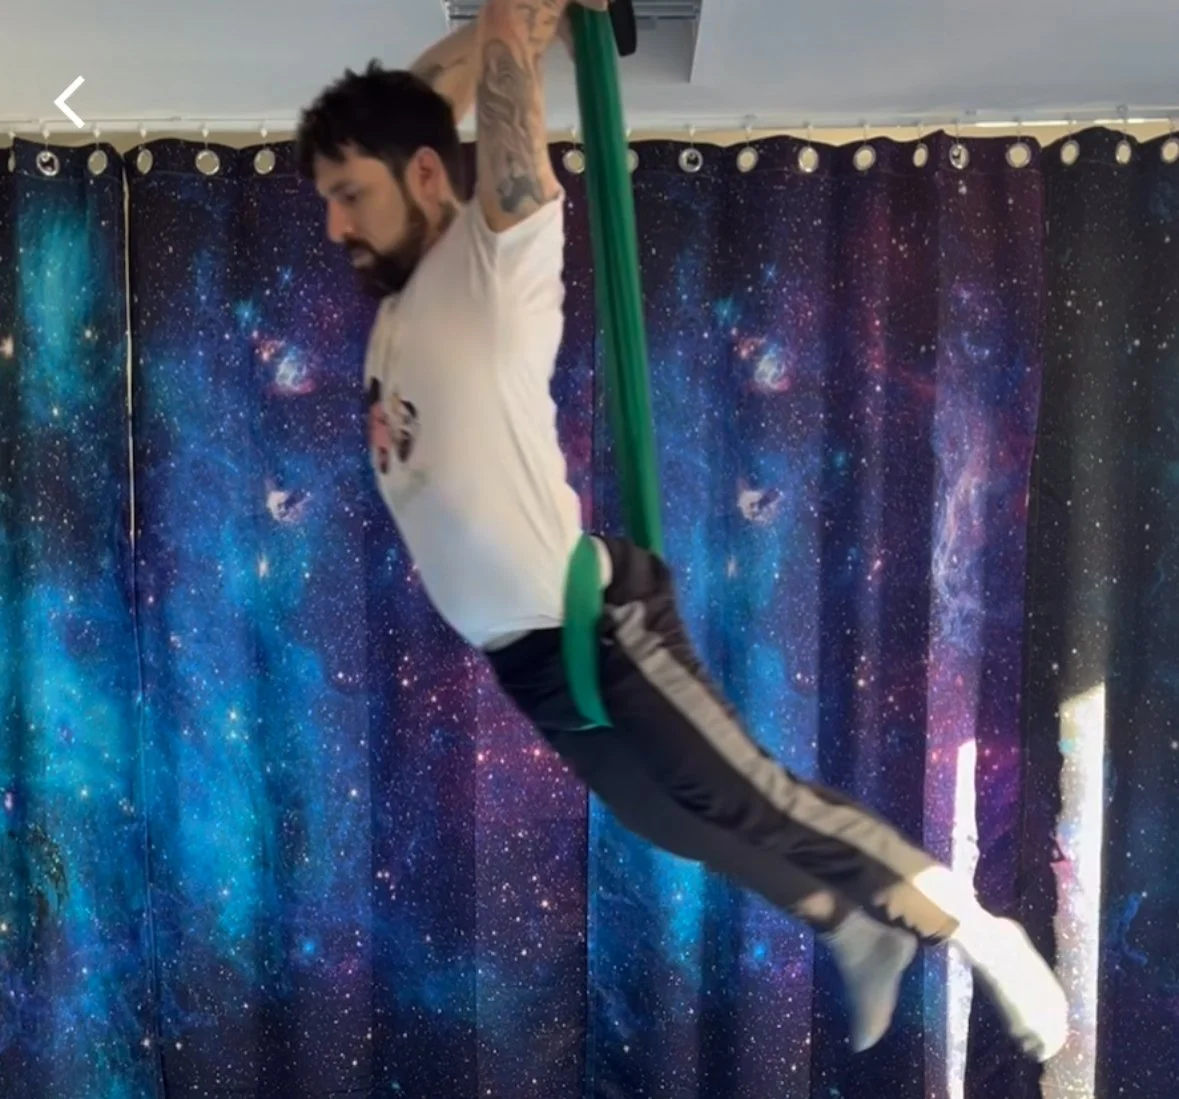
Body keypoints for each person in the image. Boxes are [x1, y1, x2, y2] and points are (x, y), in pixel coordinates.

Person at [296, 0, 1069, 1062]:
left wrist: (517, 28)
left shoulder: (492, 264)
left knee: (753, 798)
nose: (334, 224)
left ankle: (974, 930)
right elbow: (418, 102)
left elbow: (490, 110)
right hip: (526, 656)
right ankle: (851, 926)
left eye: (349, 195)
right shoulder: (401, 298)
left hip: (594, 624)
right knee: (669, 818)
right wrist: (472, 52)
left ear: (427, 177)